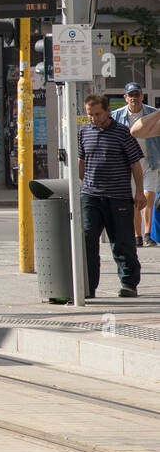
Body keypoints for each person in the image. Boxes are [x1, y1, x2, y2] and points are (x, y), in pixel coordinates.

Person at [80, 93, 145, 298]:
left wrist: (139, 192)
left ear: (108, 111)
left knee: (122, 242)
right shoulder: (83, 132)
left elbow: (135, 165)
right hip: (90, 196)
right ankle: (87, 287)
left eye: (97, 114)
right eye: (90, 114)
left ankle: (128, 283)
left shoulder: (122, 133)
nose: (93, 118)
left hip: (118, 197)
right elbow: (81, 161)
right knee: (87, 240)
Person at [112, 84, 159, 248]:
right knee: (132, 201)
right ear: (125, 97)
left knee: (148, 197)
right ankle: (136, 235)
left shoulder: (153, 113)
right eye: (130, 95)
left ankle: (147, 234)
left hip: (150, 161)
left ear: (142, 96)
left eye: (136, 94)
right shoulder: (116, 116)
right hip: (128, 164)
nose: (134, 98)